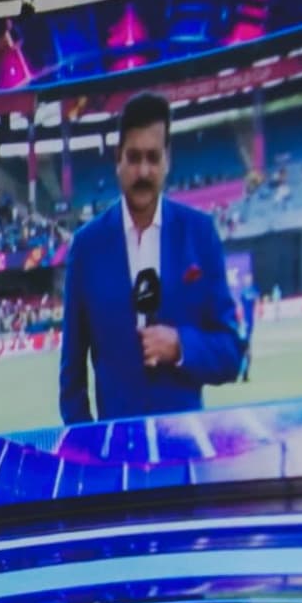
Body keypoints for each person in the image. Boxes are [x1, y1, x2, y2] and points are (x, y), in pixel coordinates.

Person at [58, 93, 245, 431]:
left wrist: (181, 346)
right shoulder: (86, 248)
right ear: (117, 159)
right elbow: (71, 373)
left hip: (186, 449)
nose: (143, 171)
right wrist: (89, 447)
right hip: (116, 455)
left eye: (153, 158)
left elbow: (231, 353)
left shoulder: (199, 233)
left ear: (167, 161)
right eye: (133, 157)